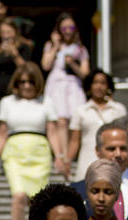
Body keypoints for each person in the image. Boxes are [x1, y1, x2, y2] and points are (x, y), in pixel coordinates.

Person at [0, 63, 64, 220]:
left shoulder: (46, 101)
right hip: (14, 151)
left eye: (31, 81)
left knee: (36, 201)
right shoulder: (7, 102)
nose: (27, 86)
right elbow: (2, 133)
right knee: (18, 196)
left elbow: (53, 131)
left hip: (39, 152)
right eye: (23, 81)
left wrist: (60, 156)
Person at [67, 70, 127, 181]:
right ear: (90, 86)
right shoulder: (80, 110)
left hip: (112, 160)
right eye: (95, 83)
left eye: (102, 83)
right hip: (87, 159)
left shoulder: (118, 109)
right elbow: (74, 141)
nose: (99, 86)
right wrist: (67, 161)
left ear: (108, 86)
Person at [40, 13, 90, 141]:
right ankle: (62, 156)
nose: (68, 31)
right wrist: (55, 46)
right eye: (64, 28)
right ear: (58, 30)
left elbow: (85, 74)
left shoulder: (80, 49)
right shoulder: (50, 46)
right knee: (60, 119)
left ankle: (70, 154)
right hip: (57, 84)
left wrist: (73, 64)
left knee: (74, 120)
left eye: (71, 28)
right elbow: (45, 65)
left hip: (73, 85)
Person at [0, 18, 34, 127]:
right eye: (3, 32)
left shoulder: (24, 48)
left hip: (17, 92)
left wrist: (15, 55)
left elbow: (27, 70)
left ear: (15, 32)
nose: (6, 36)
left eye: (9, 32)